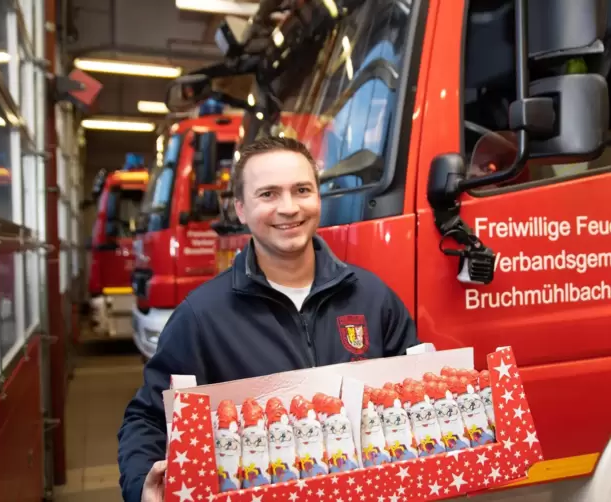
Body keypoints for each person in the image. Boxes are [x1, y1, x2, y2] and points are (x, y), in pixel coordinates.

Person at [117, 136, 420, 501]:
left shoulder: (374, 298)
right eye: (268, 194)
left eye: (302, 190)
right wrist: (141, 487)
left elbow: (419, 396)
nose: (289, 208)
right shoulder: (201, 316)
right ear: (241, 209)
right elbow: (148, 418)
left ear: (318, 199)